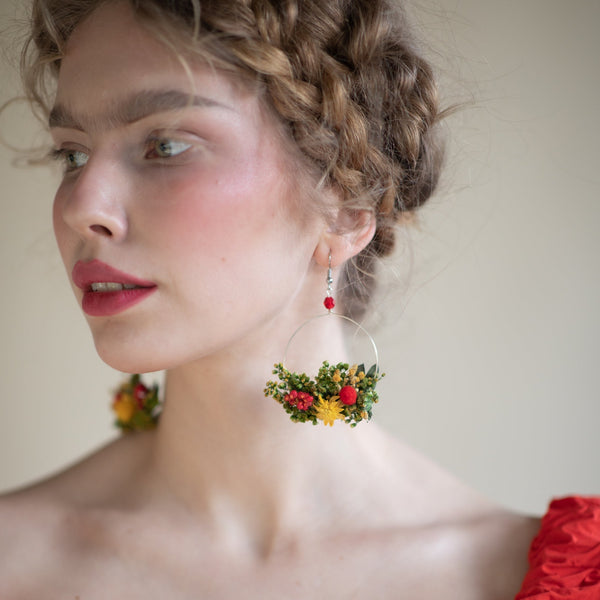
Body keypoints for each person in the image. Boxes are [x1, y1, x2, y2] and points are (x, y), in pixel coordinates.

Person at [0, 1, 597, 598]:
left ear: (344, 206)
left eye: (166, 145)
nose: (83, 206)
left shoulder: (548, 573)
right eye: (72, 154)